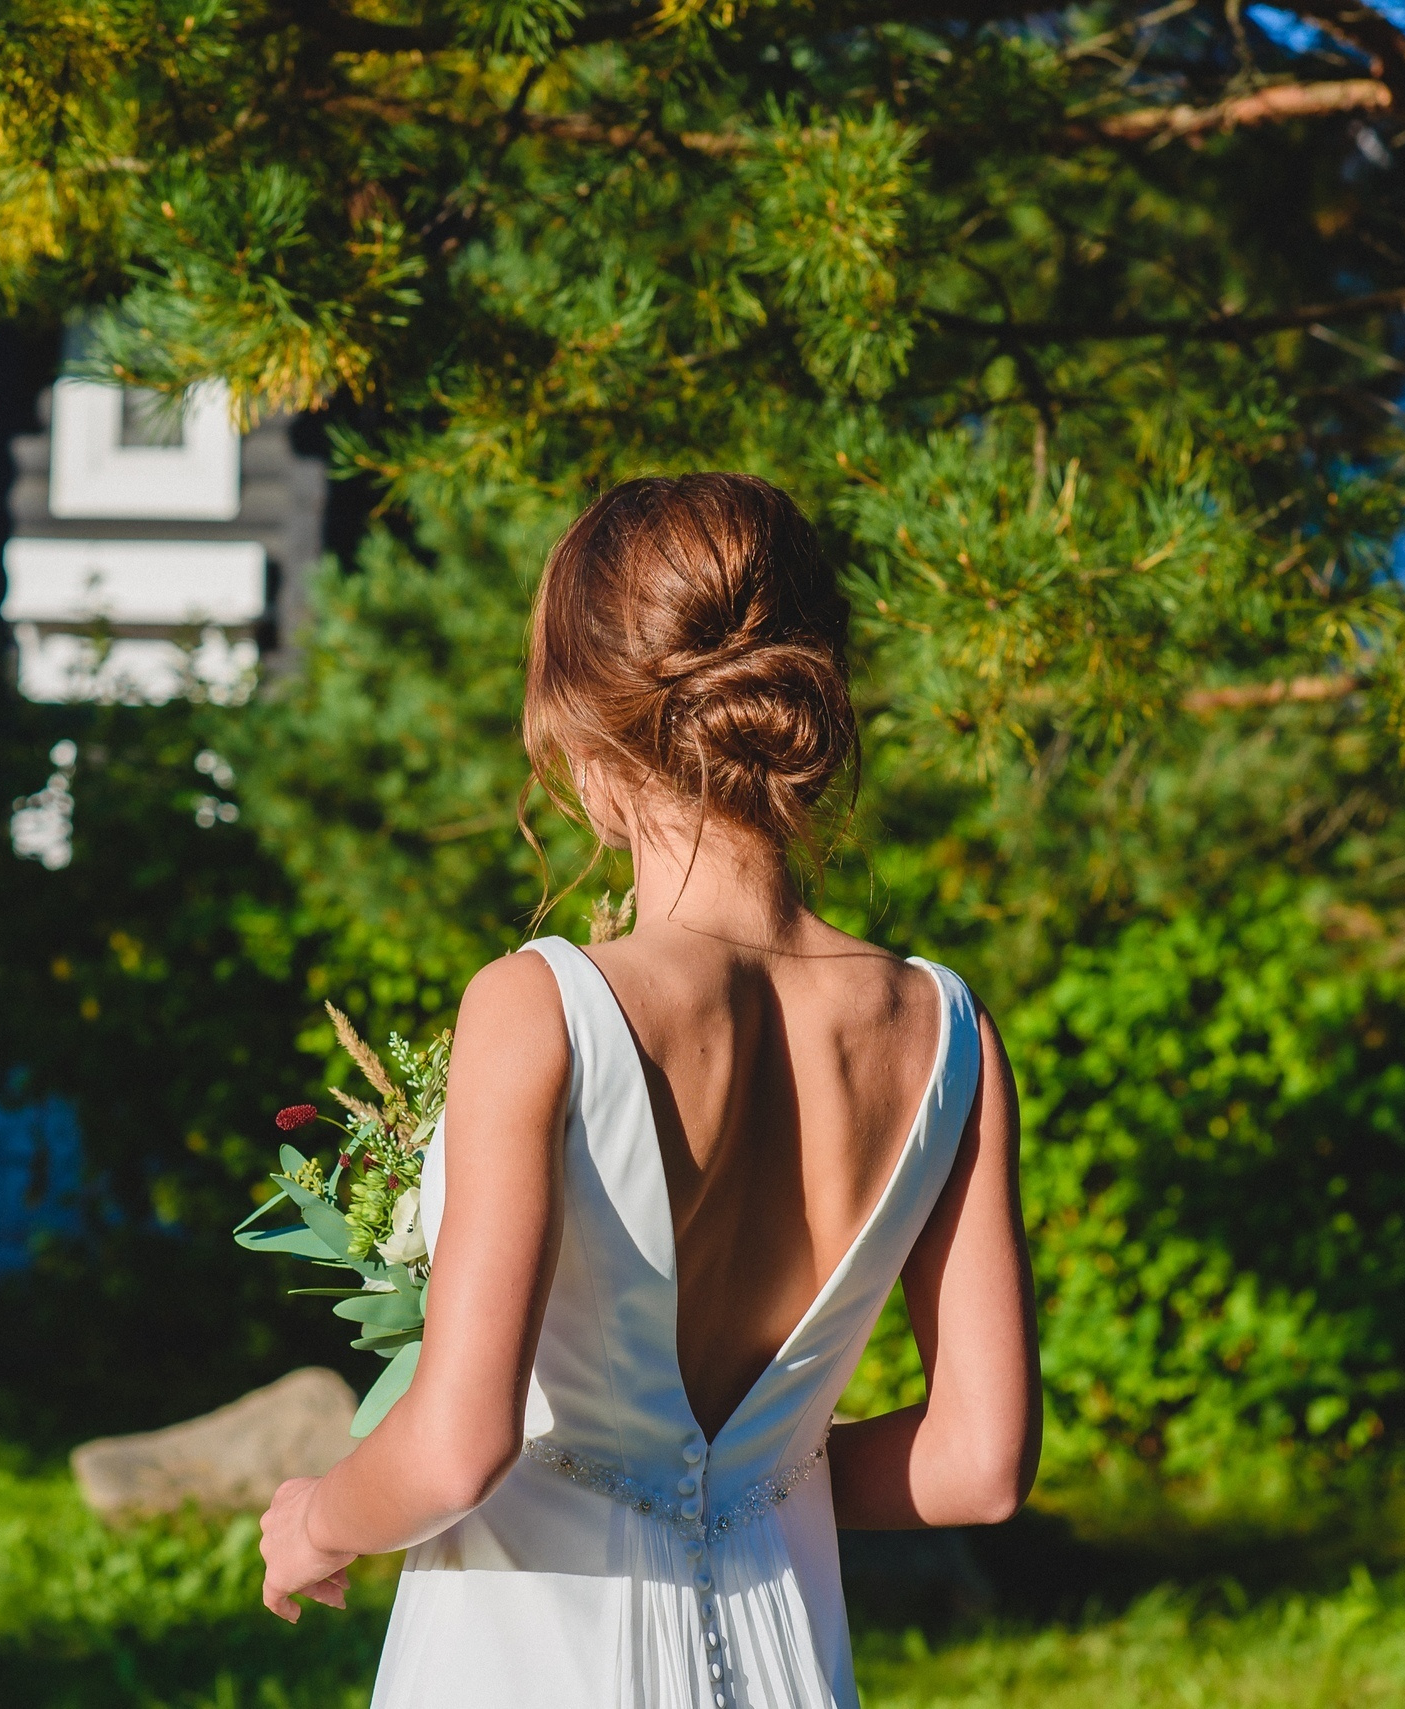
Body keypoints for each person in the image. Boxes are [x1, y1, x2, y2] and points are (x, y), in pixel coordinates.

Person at [256, 474, 1041, 1708]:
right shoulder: (944, 1027)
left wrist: (318, 1518)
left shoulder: (542, 1004)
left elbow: (459, 1444)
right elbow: (978, 1462)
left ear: (576, 727)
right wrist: (744, 1473)